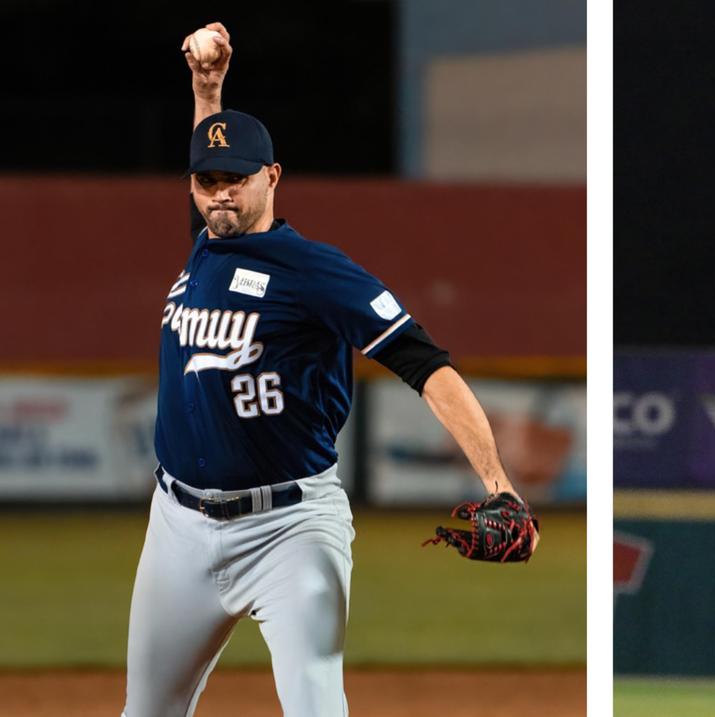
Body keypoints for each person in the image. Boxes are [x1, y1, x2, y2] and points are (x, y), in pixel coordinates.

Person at [122, 23, 536, 717]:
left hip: (289, 529)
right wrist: (207, 90)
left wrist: (498, 483)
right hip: (176, 526)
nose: (220, 193)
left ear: (273, 177)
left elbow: (424, 363)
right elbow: (211, 166)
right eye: (206, 180)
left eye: (236, 178)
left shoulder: (313, 273)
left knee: (316, 707)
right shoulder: (205, 250)